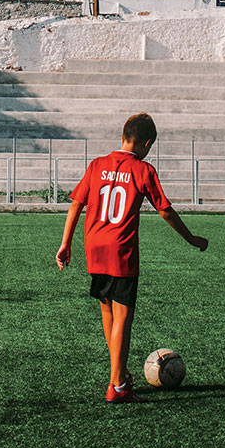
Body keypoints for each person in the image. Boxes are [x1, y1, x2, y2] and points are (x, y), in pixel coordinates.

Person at [55, 112, 208, 403]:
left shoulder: (97, 164)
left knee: (107, 312)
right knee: (123, 318)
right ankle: (118, 386)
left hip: (95, 247)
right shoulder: (143, 170)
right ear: (147, 143)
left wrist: (65, 243)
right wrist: (191, 238)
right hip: (121, 250)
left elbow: (76, 204)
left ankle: (119, 374)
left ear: (123, 136)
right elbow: (165, 210)